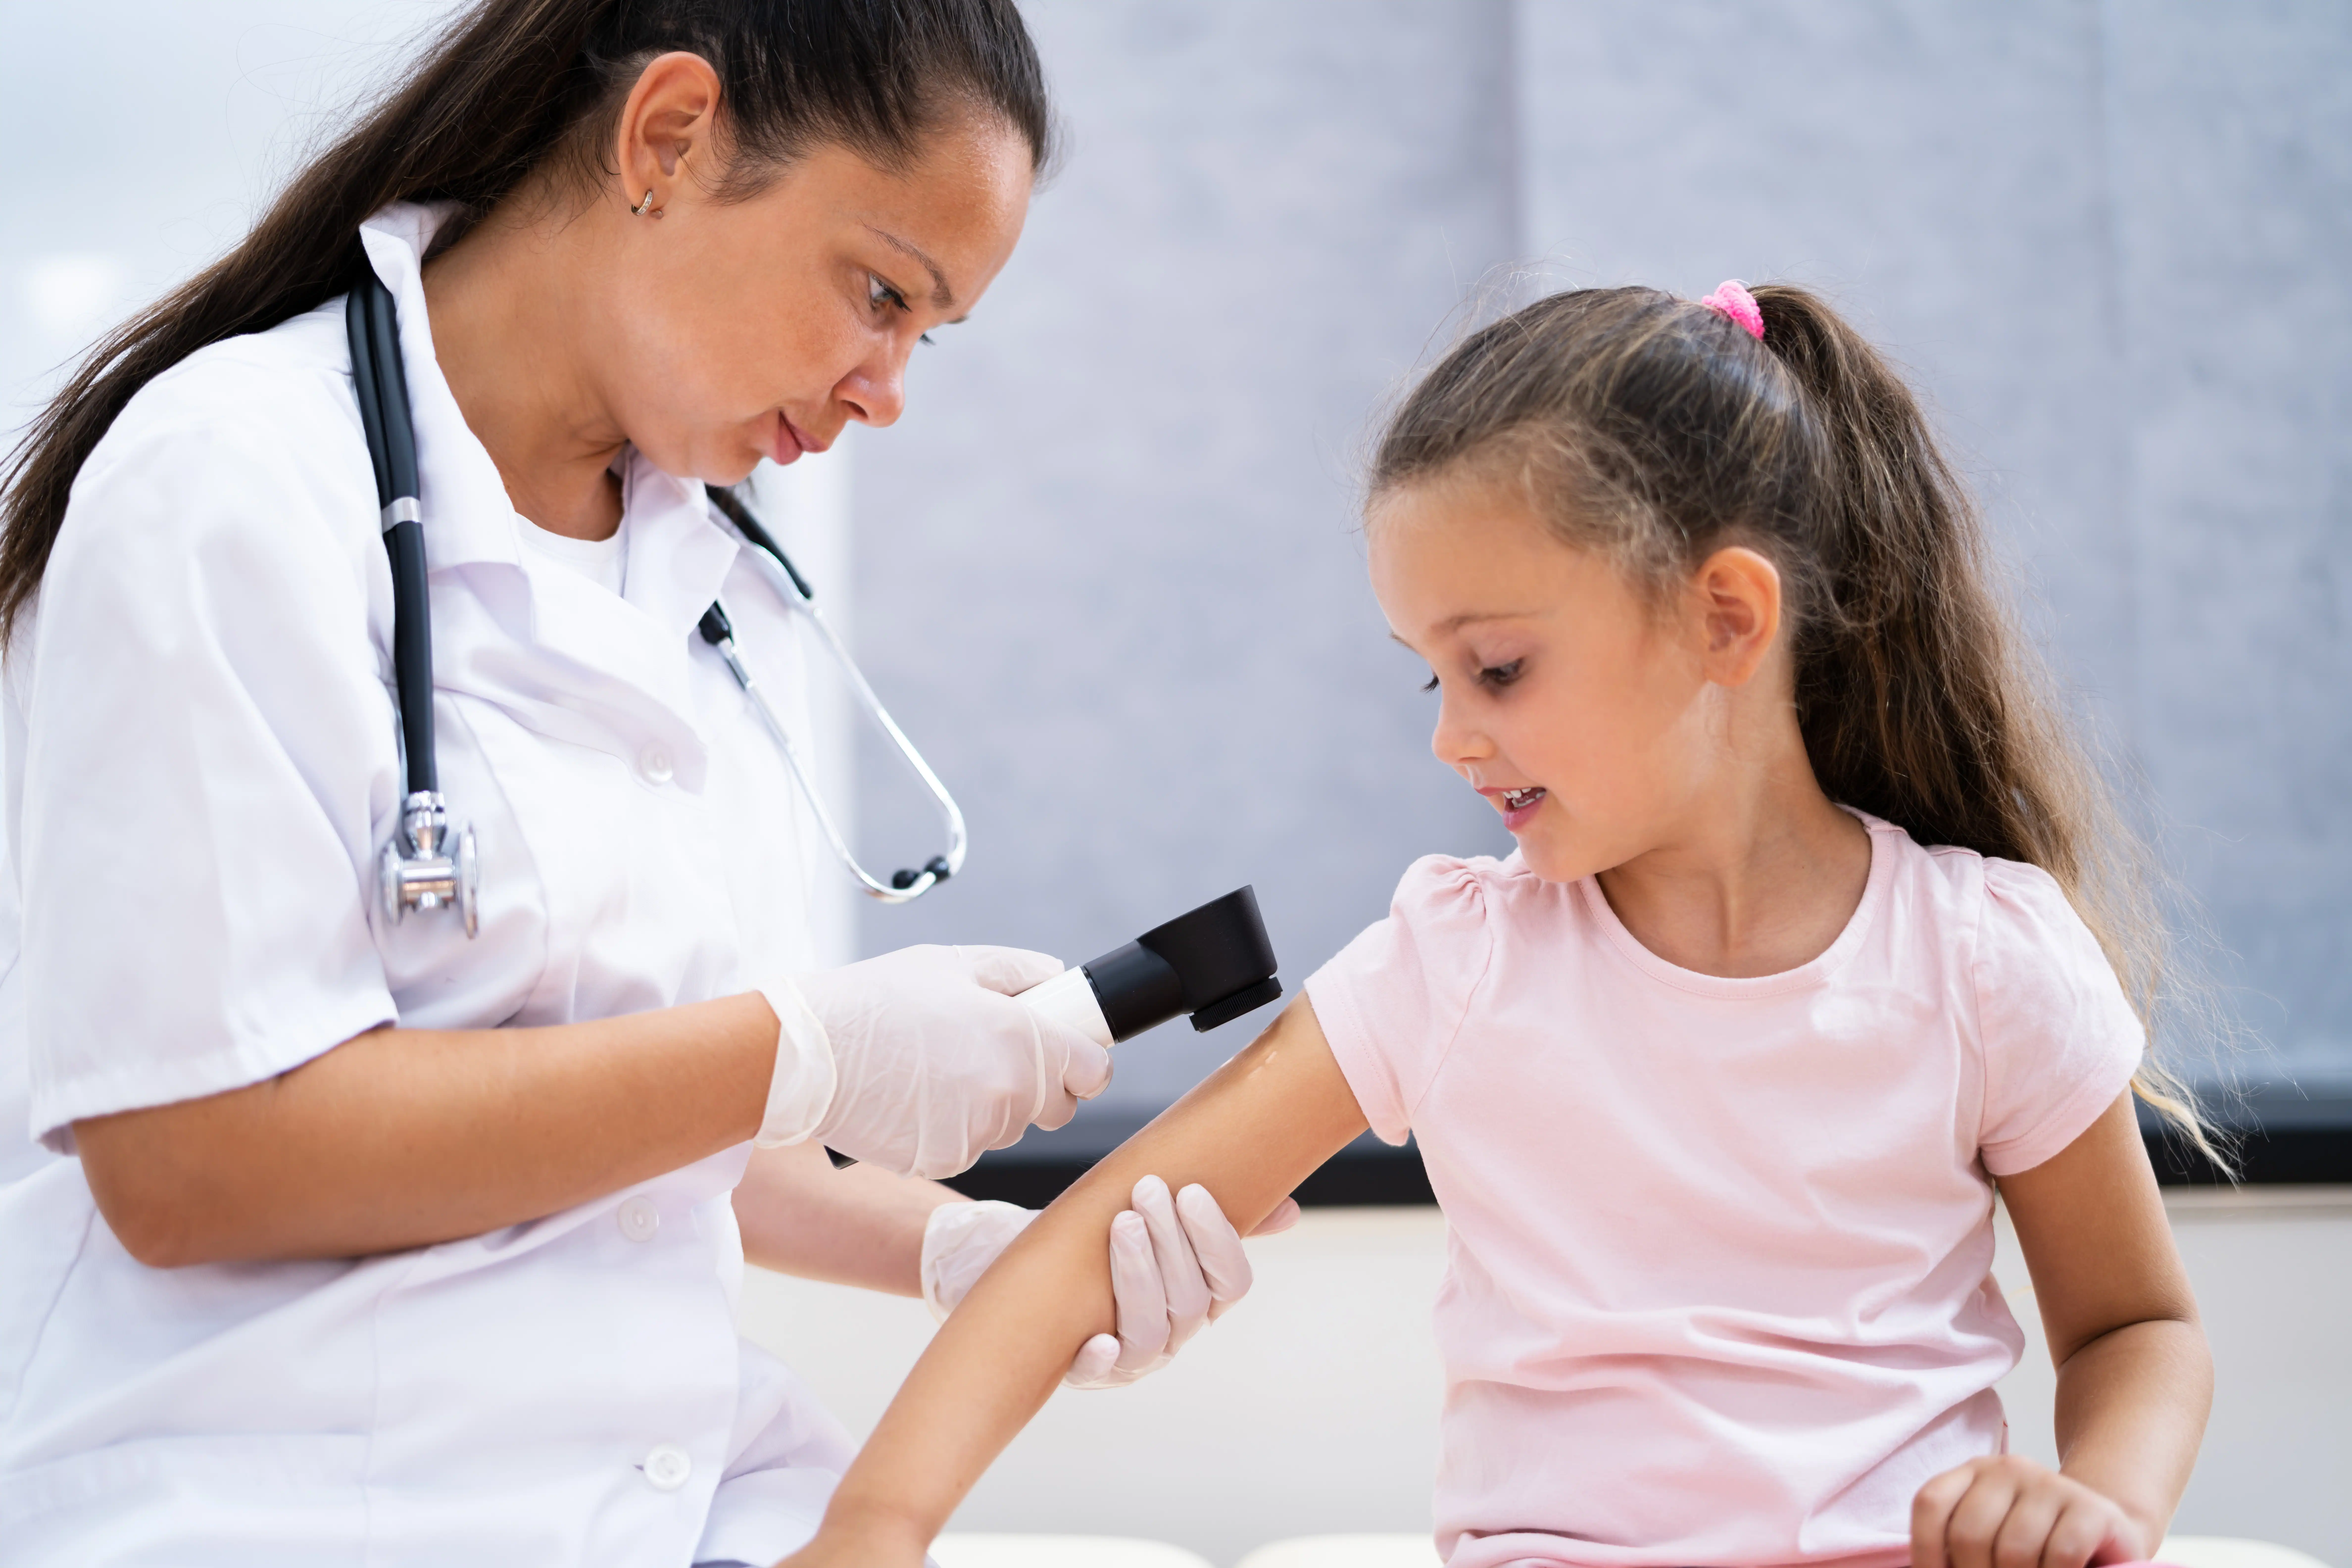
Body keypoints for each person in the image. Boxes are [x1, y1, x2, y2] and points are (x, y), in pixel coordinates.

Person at [0, 2, 1287, 1563]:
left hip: (675, 1503)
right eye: (880, 292)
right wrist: (802, 1052)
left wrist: (967, 1247)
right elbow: (193, 1161)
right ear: (668, 138)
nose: (888, 389)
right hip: (283, 1507)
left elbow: (624, 1131)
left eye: (925, 334)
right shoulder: (232, 482)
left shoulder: (712, 576)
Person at [776, 282, 2219, 1568]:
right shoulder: (1457, 960)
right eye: (1432, 683)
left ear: (1726, 618)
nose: (1455, 740)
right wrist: (875, 1530)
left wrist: (2099, 1504)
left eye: (1501, 669)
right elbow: (1082, 1248)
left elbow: (2137, 1331)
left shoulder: (1986, 958)